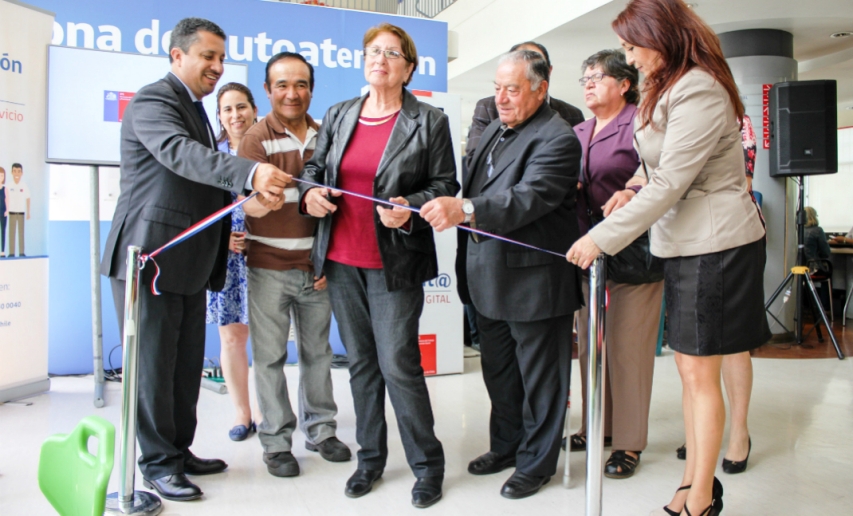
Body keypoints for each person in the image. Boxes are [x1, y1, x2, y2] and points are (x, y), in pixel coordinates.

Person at [566, 1, 770, 514]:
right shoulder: (666, 87)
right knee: (691, 371)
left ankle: (699, 497)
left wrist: (603, 237)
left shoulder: (699, 87)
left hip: (716, 245)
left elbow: (674, 181)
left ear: (661, 39)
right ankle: (693, 482)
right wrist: (632, 186)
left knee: (700, 373)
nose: (629, 60)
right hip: (684, 244)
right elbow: (656, 165)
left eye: (633, 48)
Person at [100, 17, 290, 502]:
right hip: (151, 258)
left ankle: (179, 452)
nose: (217, 66)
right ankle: (158, 464)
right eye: (207, 56)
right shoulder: (153, 102)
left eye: (221, 57)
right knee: (152, 370)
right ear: (176, 56)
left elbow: (202, 187)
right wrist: (250, 173)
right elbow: (181, 155)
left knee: (184, 367)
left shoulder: (196, 109)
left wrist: (250, 201)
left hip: (187, 260)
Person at [298, 23, 458, 508]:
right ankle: (370, 460)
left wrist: (411, 203)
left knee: (399, 364)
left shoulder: (428, 120)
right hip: (342, 261)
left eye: (391, 53)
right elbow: (312, 169)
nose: (379, 59)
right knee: (361, 365)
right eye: (372, 52)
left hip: (394, 264)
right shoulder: (340, 113)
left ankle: (427, 466)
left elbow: (445, 185)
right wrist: (311, 193)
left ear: (409, 67)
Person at [421, 49, 582, 500]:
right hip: (487, 275)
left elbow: (529, 198)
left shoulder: (557, 138)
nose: (502, 98)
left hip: (534, 282)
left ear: (540, 88)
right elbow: (466, 187)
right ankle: (507, 445)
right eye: (497, 88)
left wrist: (466, 209)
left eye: (512, 89)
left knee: (541, 380)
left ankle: (537, 463)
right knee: (500, 373)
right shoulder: (494, 127)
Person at [239, 51, 351, 477]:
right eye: (282, 85)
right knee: (268, 357)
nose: (292, 93)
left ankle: (321, 430)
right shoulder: (255, 139)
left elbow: (338, 204)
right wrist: (268, 202)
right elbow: (249, 207)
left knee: (318, 354)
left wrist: (327, 262)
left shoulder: (327, 135)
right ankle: (275, 441)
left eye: (301, 84)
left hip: (316, 269)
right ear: (268, 90)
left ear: (312, 89)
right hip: (267, 267)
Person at [568, 49, 664, 480]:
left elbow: (660, 177)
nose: (588, 83)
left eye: (598, 76)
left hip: (636, 251)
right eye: (584, 77)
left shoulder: (641, 121)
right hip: (590, 253)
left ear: (625, 83)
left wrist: (631, 190)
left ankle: (628, 442)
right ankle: (597, 427)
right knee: (592, 344)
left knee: (628, 351)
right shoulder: (578, 130)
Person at [676, 113, 761, 475]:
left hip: (730, 235)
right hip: (685, 236)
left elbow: (741, 182)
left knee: (731, 343)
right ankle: (702, 429)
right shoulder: (677, 115)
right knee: (693, 348)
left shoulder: (737, 120)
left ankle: (738, 432)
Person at [205, 82, 257, 442]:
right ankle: (242, 414)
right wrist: (222, 239)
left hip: (267, 253)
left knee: (271, 340)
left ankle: (277, 413)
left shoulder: (267, 148)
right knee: (232, 338)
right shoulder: (210, 154)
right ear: (219, 116)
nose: (235, 115)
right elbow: (202, 208)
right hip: (226, 256)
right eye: (227, 109)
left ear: (254, 109)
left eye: (241, 107)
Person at [6, 163, 29, 257]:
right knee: (12, 233)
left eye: (19, 171)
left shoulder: (24, 186)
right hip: (11, 212)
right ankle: (11, 253)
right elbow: (5, 199)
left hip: (21, 213)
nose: (17, 173)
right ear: (12, 172)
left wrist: (28, 212)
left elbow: (28, 198)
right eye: (15, 171)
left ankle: (21, 252)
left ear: (21, 173)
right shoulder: (8, 186)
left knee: (21, 233)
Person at [0, 167, 6, 258]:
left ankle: (2, 251)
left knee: (3, 231)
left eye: (1, 175)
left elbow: (6, 200)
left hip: (3, 213)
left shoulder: (5, 189)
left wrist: (7, 210)